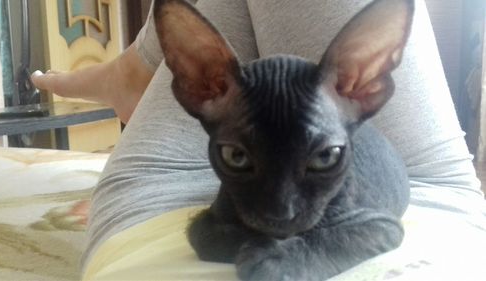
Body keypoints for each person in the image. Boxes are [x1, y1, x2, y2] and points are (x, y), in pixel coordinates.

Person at [33, 0, 486, 280]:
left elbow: (378, 228)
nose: (281, 212)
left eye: (323, 160)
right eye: (237, 159)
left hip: (167, 177)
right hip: (435, 179)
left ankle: (135, 69)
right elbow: (382, 228)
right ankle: (137, 69)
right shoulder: (326, 121)